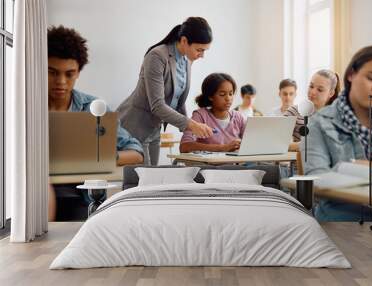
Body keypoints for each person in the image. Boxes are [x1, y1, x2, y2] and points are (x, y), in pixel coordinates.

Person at [47, 26, 144, 221]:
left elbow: (136, 152)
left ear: (78, 72)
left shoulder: (93, 108)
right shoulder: (22, 107)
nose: (61, 82)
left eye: (69, 74)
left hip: (79, 195)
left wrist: (100, 157)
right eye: (52, 72)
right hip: (32, 193)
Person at [303, 45, 372, 221]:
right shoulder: (319, 123)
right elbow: (315, 179)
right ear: (351, 75)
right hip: (347, 218)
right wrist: (360, 169)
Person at [117, 17, 214, 165]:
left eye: (205, 50)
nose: (202, 55)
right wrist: (191, 125)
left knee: (152, 180)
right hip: (135, 126)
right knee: (140, 181)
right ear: (183, 41)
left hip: (154, 128)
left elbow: (178, 100)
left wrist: (191, 131)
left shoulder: (186, 60)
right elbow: (157, 105)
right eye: (199, 50)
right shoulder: (157, 56)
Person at [180, 73, 245, 153]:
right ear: (210, 96)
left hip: (234, 165)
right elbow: (185, 146)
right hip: (208, 165)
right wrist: (223, 148)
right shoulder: (200, 115)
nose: (228, 98)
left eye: (231, 94)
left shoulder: (238, 117)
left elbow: (251, 142)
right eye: (222, 94)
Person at [284, 70, 340, 142]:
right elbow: (277, 141)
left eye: (320, 90)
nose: (313, 92)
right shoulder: (293, 112)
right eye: (311, 86)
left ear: (331, 93)